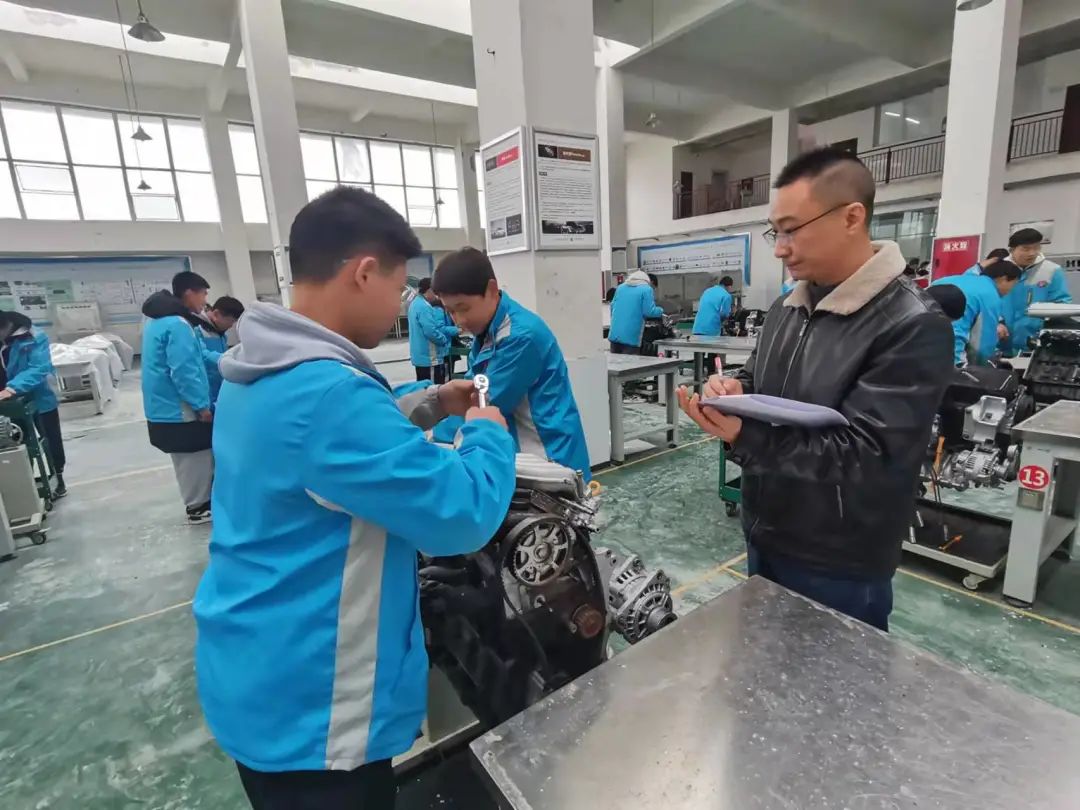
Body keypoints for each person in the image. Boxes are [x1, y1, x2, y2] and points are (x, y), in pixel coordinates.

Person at [193, 188, 516, 810]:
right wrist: (486, 433)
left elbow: (322, 452)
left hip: (258, 664)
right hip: (316, 706)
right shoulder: (328, 395)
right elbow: (463, 513)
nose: (401, 305)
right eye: (398, 287)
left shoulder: (257, 366)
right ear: (364, 272)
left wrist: (426, 404)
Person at [678, 146, 954, 631]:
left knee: (834, 678)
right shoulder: (788, 307)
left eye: (792, 230)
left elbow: (868, 456)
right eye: (775, 232)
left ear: (851, 217)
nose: (780, 248)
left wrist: (744, 436)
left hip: (838, 559)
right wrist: (731, 387)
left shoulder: (912, 324)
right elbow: (759, 379)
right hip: (766, 529)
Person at [431, 246, 591, 477]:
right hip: (522, 452)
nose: (459, 321)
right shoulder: (489, 331)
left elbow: (482, 404)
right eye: (450, 312)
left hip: (548, 456)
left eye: (464, 308)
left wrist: (428, 438)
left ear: (491, 289)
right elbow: (469, 392)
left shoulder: (520, 337)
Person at [141, 271, 215, 524]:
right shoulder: (178, 325)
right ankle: (198, 507)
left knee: (186, 460)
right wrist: (201, 405)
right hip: (179, 407)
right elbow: (184, 371)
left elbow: (197, 357)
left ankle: (198, 503)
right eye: (203, 294)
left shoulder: (157, 322)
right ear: (189, 293)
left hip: (162, 406)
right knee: (196, 456)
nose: (205, 301)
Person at [0, 311, 66, 497]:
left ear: (5, 326)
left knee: (50, 440)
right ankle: (23, 486)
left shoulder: (34, 337)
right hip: (7, 401)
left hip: (38, 397)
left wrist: (12, 388)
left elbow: (39, 368)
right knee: (14, 441)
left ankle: (58, 479)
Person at [933, 260, 1021, 366]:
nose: (1011, 290)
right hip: (950, 354)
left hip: (920, 342)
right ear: (1003, 279)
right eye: (1013, 284)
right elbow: (982, 343)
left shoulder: (949, 279)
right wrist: (981, 367)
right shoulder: (990, 295)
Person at [1000, 228, 1072, 353]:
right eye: (1026, 249)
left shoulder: (1052, 271)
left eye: (1036, 248)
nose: (1032, 253)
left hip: (1037, 344)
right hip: (998, 341)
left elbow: (1062, 305)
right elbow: (986, 302)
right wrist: (997, 322)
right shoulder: (998, 269)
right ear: (1012, 250)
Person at [407, 277, 458, 383]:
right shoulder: (425, 307)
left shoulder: (415, 303)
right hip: (429, 357)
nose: (436, 296)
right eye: (435, 292)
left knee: (423, 387)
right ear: (429, 290)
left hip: (420, 356)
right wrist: (443, 340)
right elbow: (431, 331)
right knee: (433, 387)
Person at [199, 296, 245, 405]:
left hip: (219, 392)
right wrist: (228, 360)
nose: (231, 325)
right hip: (205, 394)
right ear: (216, 314)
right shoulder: (197, 329)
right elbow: (202, 354)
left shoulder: (220, 333)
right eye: (231, 321)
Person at [608, 269, 663, 354]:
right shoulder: (646, 289)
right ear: (649, 282)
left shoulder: (620, 288)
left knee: (615, 361)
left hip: (614, 335)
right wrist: (660, 310)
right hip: (631, 337)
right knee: (630, 362)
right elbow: (649, 312)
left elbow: (612, 307)